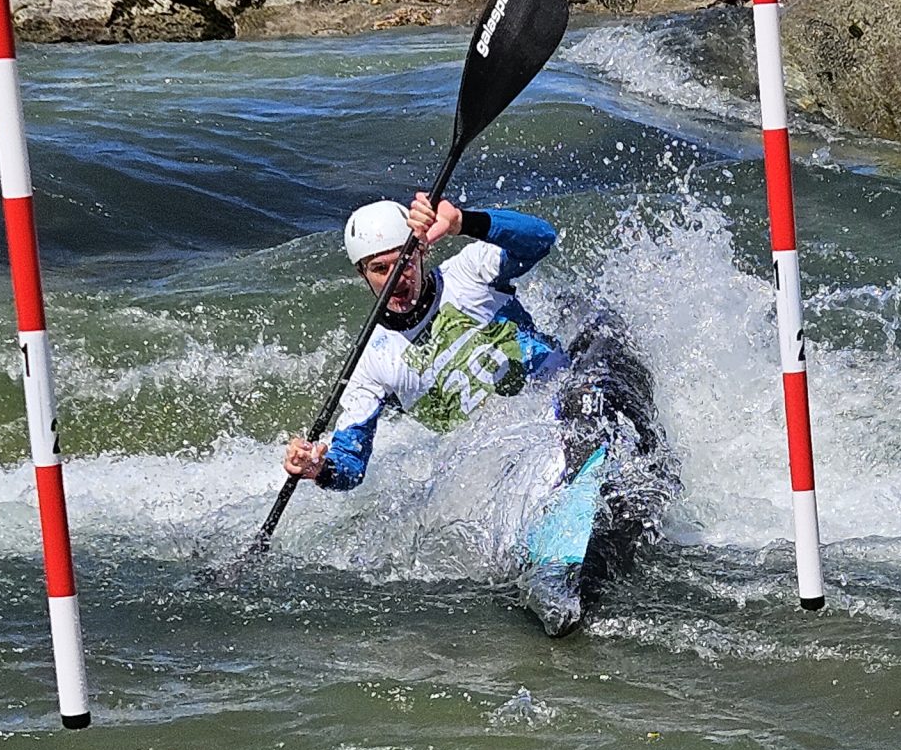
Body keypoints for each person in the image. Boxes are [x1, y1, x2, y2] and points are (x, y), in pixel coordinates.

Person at [282, 192, 666, 518]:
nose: (398, 278)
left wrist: (464, 222)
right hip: (510, 454)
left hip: (568, 397)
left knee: (588, 392)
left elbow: (541, 238)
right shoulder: (371, 364)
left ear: (420, 253)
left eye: (404, 261)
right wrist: (320, 469)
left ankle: (645, 474)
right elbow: (351, 463)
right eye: (381, 269)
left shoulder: (469, 272)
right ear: (362, 273)